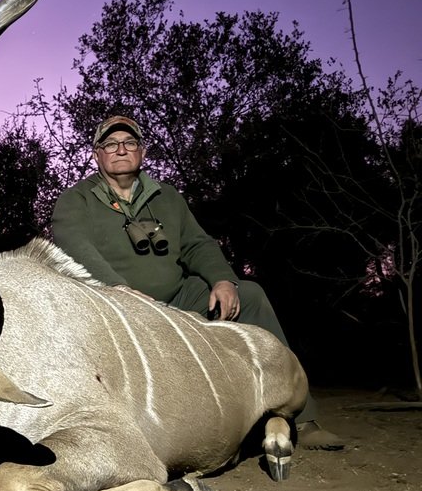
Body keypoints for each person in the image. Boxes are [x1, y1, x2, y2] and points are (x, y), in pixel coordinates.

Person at [51, 115, 343, 450]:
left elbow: (197, 244)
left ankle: (304, 419)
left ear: (142, 151)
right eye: (110, 144)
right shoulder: (76, 199)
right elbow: (76, 248)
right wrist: (121, 292)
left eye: (129, 143)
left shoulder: (167, 196)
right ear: (97, 154)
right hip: (117, 312)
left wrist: (223, 280)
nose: (120, 150)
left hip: (177, 299)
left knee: (249, 295)